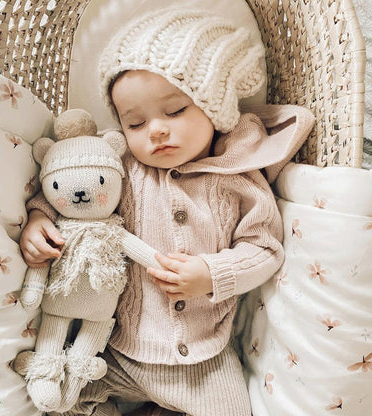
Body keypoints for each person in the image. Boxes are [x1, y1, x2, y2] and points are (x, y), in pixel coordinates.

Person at [19, 7, 314, 416]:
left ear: (214, 109)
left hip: (202, 360)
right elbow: (71, 186)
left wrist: (213, 273)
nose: (155, 130)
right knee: (61, 402)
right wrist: (38, 218)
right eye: (135, 123)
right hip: (113, 350)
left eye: (174, 112)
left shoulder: (237, 179)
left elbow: (265, 250)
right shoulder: (121, 167)